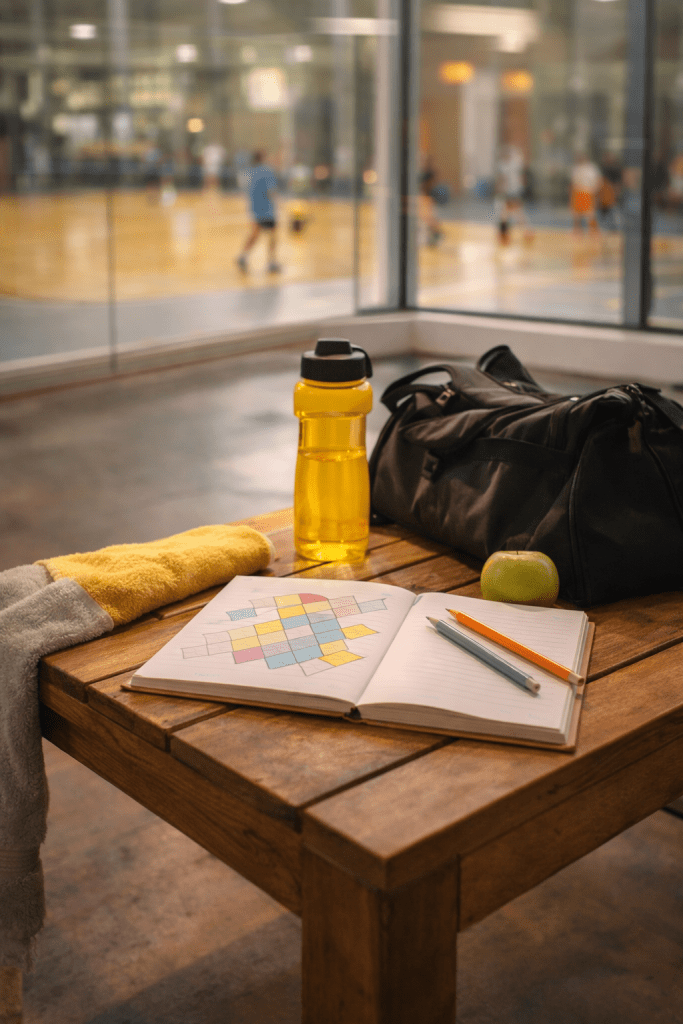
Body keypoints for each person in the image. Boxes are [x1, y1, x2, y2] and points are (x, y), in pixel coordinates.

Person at [236, 150, 281, 273]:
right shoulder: (267, 171)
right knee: (272, 235)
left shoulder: (250, 172)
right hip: (267, 209)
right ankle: (272, 262)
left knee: (255, 234)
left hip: (254, 208)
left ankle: (243, 256)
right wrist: (278, 204)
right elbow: (271, 191)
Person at [495, 143, 532, 244]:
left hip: (513, 191)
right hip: (510, 191)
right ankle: (507, 232)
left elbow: (505, 179)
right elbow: (503, 179)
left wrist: (501, 188)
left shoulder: (512, 164)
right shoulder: (506, 164)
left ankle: (525, 231)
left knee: (512, 212)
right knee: (507, 212)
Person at [570, 153, 601, 232]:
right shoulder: (576, 168)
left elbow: (597, 181)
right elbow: (574, 181)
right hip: (578, 192)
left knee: (590, 214)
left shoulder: (591, 169)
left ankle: (593, 230)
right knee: (576, 214)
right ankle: (577, 230)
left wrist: (594, 190)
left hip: (588, 192)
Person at [419, 156, 443, 246]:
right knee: (427, 217)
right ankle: (432, 235)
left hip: (427, 197)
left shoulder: (428, 174)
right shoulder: (425, 174)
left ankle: (435, 235)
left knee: (428, 217)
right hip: (425, 197)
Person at [596, 151, 622, 231]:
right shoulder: (603, 168)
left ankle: (616, 227)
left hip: (611, 193)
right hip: (604, 194)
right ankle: (605, 227)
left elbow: (617, 183)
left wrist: (616, 193)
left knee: (613, 210)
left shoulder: (615, 168)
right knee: (603, 211)